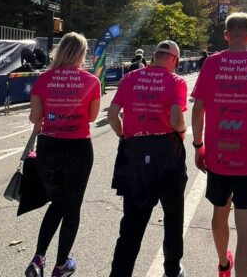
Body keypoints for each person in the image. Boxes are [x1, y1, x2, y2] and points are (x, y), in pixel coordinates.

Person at [191, 12, 247, 277]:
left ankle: (223, 263)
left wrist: (198, 145)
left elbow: (198, 110)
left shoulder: (211, 64)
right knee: (246, 224)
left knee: (220, 211)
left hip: (218, 155)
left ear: (226, 35)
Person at [107, 40, 188, 277]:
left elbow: (112, 115)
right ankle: (172, 270)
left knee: (132, 222)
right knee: (173, 215)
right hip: (167, 151)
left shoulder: (131, 78)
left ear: (155, 57)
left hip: (135, 151)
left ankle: (120, 273)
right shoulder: (176, 81)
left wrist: (125, 135)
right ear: (174, 59)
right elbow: (176, 119)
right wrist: (182, 133)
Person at [26, 32, 101, 277]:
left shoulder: (44, 79)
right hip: (78, 147)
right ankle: (60, 265)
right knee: (72, 207)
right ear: (81, 53)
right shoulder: (91, 81)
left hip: (49, 146)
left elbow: (35, 118)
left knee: (57, 203)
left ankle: (38, 258)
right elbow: (91, 117)